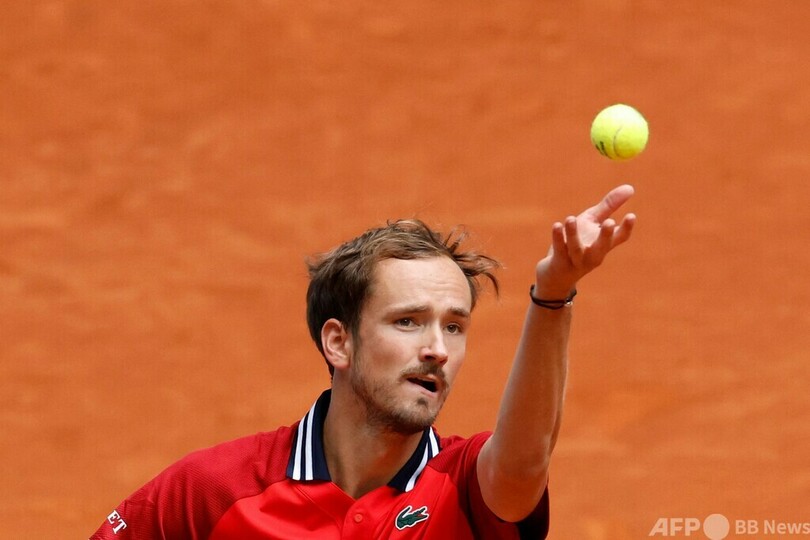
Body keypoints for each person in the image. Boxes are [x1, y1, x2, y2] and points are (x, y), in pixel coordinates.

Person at [91, 185, 636, 539]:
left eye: (454, 326)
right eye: (408, 321)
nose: (438, 349)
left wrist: (553, 295)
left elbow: (523, 464)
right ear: (339, 343)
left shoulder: (464, 488)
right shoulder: (214, 491)